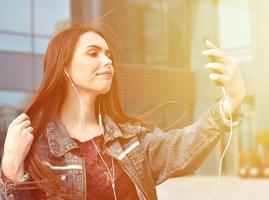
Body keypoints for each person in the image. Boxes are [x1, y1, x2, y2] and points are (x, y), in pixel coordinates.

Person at [0, 22, 245, 200]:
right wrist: (11, 172)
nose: (107, 61)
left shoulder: (131, 140)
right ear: (63, 66)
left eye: (108, 55)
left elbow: (181, 146)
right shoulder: (35, 146)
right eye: (93, 53)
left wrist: (231, 102)